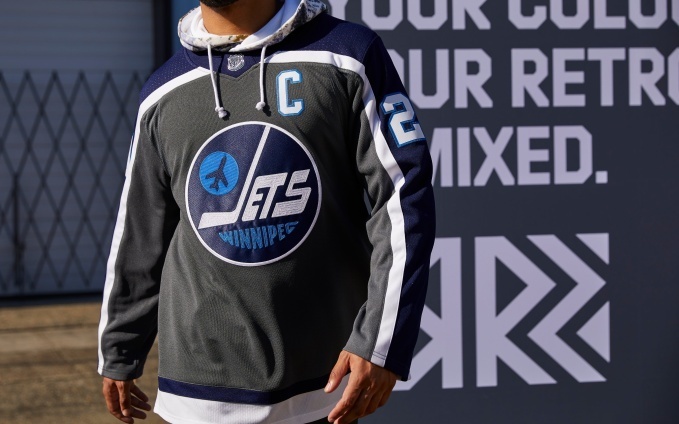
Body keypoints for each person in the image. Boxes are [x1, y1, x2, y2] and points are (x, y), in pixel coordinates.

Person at [97, 0, 436, 423]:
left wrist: (381, 341)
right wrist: (120, 348)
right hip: (196, 390)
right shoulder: (163, 91)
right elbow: (139, 230)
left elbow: (403, 196)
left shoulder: (347, 54)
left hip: (320, 389)